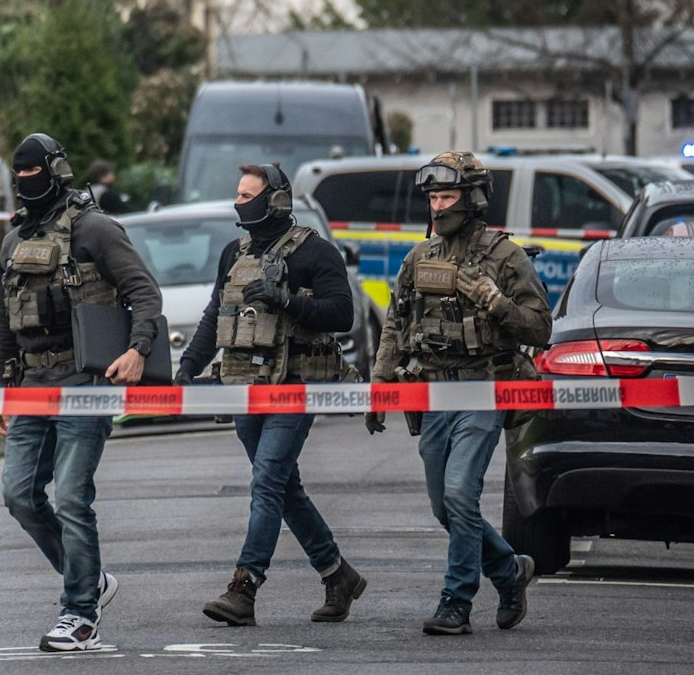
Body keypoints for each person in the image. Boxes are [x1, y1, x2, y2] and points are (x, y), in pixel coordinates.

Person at [0, 133, 164, 653]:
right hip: (31, 386)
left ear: (57, 172)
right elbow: (5, 320)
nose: (27, 182)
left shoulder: (95, 228)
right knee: (19, 495)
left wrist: (137, 348)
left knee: (70, 496)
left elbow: (143, 292)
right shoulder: (13, 240)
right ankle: (88, 578)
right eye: (19, 175)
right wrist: (1, 388)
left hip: (85, 383)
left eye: (34, 173)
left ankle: (81, 614)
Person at [365, 151, 552, 635]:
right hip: (431, 395)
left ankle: (456, 601)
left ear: (473, 199)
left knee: (459, 494)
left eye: (447, 196)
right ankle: (509, 571)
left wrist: (495, 301)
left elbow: (540, 327)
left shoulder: (505, 256)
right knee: (444, 506)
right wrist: (380, 385)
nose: (438, 206)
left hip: (482, 390)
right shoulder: (419, 257)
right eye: (432, 197)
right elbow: (396, 323)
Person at [175, 164, 368, 627]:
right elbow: (215, 315)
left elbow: (343, 313)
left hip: (293, 387)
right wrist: (187, 369)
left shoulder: (315, 252)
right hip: (245, 387)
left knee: (267, 480)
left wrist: (286, 299)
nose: (238, 202)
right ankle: (337, 574)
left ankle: (244, 587)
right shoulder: (234, 253)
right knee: (282, 486)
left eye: (247, 195)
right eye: (237, 194)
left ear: (275, 201)